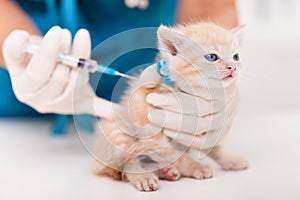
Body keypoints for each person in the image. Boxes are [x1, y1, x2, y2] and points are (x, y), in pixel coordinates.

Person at [0, 0, 238, 149]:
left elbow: (213, 29)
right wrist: (32, 62)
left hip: (150, 108)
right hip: (16, 132)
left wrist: (218, 96)